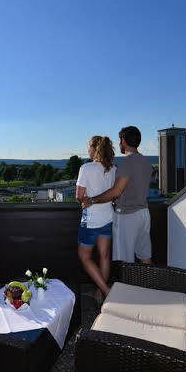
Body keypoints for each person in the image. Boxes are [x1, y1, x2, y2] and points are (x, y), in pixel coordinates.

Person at [83, 126, 153, 263]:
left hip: (127, 216)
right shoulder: (146, 162)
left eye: (120, 140)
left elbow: (116, 191)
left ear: (123, 141)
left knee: (124, 261)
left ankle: (127, 279)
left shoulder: (126, 162)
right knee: (145, 257)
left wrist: (92, 200)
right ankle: (151, 278)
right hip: (144, 213)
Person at [76, 135, 116, 297]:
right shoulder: (113, 169)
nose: (88, 151)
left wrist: (87, 199)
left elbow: (79, 196)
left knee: (84, 257)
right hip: (108, 217)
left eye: (89, 147)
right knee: (104, 257)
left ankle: (106, 291)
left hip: (91, 220)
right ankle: (100, 293)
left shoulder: (86, 168)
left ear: (94, 149)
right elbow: (113, 194)